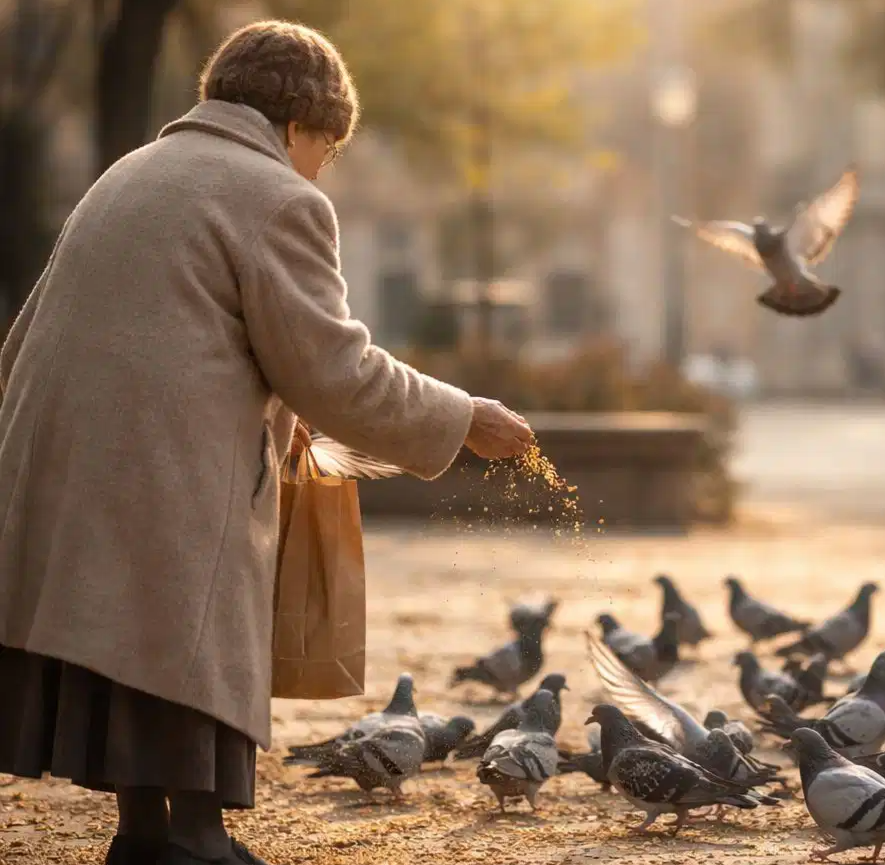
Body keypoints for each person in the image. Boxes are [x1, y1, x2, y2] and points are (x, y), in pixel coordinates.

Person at [0, 21, 533, 865]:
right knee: (194, 614)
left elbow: (30, 338)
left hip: (59, 460)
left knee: (143, 624)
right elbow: (336, 369)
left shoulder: (128, 172)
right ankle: (200, 833)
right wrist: (463, 416)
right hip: (160, 462)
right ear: (297, 127)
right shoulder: (276, 194)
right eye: (330, 146)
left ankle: (145, 832)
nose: (325, 167)